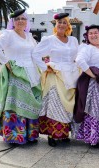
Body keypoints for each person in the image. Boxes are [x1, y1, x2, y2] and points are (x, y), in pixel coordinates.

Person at [0, 9, 46, 144]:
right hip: (16, 73)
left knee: (30, 102)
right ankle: (15, 136)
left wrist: (46, 66)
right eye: (17, 19)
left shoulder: (29, 37)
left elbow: (36, 53)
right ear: (13, 22)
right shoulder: (8, 34)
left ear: (27, 22)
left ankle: (30, 134)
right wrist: (6, 62)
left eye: (23, 18)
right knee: (16, 104)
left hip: (32, 73)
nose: (20, 21)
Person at [34, 13, 80, 147]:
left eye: (64, 22)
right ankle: (52, 134)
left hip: (71, 75)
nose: (61, 24)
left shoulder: (73, 40)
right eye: (59, 22)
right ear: (55, 24)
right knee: (55, 105)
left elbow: (77, 57)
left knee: (68, 106)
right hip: (56, 74)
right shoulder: (49, 40)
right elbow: (36, 54)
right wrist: (45, 67)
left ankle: (64, 133)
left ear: (68, 25)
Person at [73, 25, 99, 148]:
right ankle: (93, 138)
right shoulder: (87, 48)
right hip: (96, 84)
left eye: (96, 33)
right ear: (87, 36)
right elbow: (79, 60)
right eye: (91, 33)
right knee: (95, 110)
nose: (94, 35)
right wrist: (93, 75)